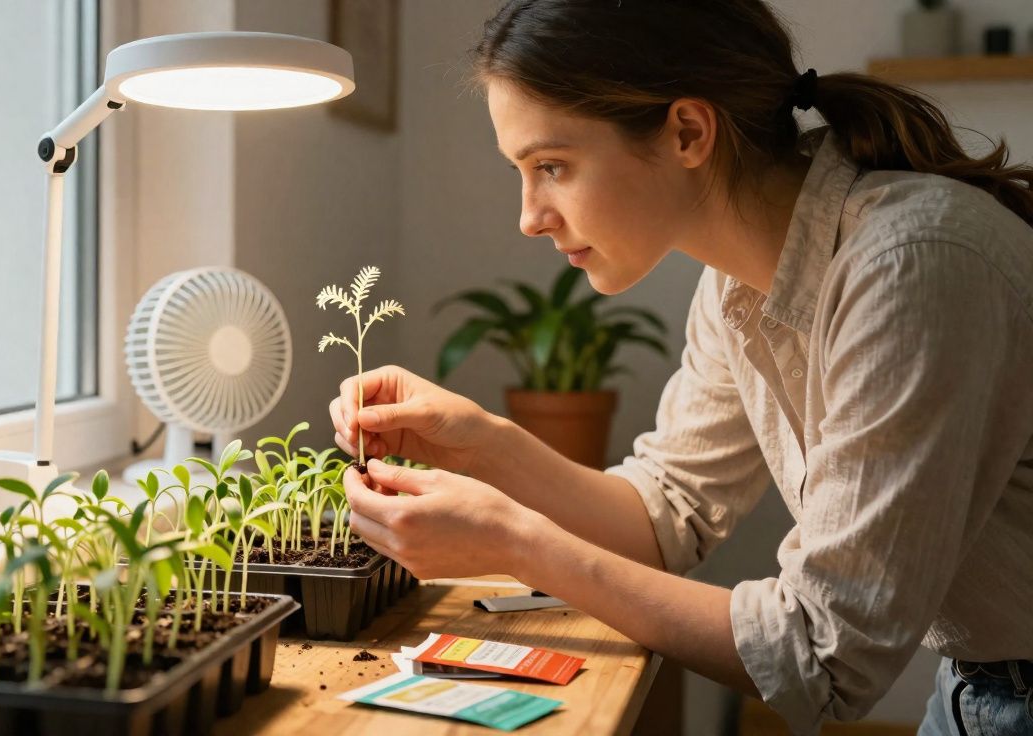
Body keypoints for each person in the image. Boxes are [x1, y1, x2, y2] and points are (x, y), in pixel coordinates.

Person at [330, 1, 1033, 734]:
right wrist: (482, 443)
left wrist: (515, 543)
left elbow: (821, 656)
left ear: (688, 132)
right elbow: (663, 515)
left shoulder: (911, 266)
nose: (530, 215)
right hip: (974, 694)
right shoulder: (735, 287)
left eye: (552, 166)